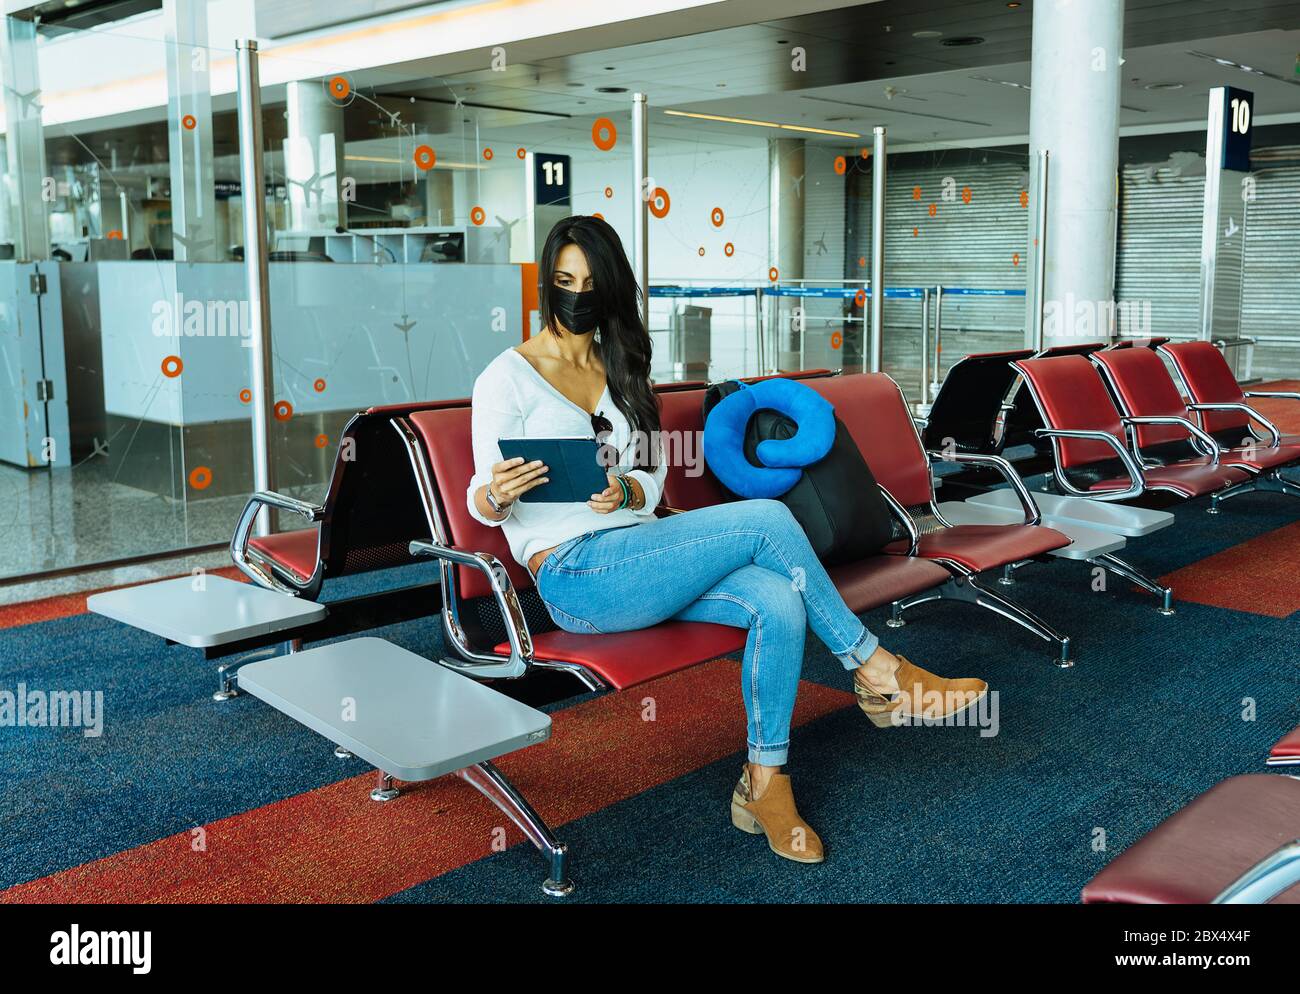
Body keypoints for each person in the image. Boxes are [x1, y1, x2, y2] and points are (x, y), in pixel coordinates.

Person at [467, 214, 987, 864]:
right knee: (766, 520)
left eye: (590, 282)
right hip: (577, 576)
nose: (576, 294)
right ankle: (877, 670)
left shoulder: (620, 366)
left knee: (777, 600)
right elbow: (481, 498)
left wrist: (629, 492)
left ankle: (764, 785)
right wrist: (496, 493)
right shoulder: (506, 377)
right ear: (548, 282)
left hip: (644, 555)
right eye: (564, 279)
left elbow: (651, 476)